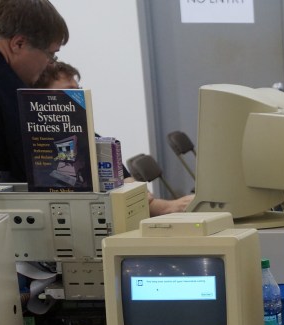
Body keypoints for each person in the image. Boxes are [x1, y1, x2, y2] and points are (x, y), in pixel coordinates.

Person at [32, 60, 193, 215]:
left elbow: (126, 180)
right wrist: (167, 207)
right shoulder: (38, 146)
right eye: (70, 90)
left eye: (78, 89)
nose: (78, 97)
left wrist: (165, 205)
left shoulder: (87, 136)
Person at [0, 0, 68, 182]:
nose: (50, 64)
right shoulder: (11, 91)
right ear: (18, 44)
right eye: (50, 54)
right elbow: (45, 168)